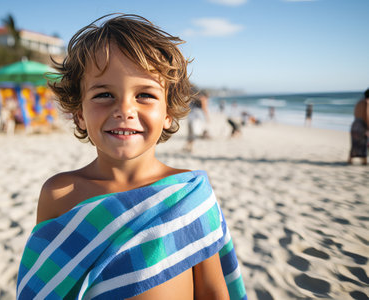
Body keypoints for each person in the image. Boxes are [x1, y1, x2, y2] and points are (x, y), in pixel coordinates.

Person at [16, 14, 246, 300]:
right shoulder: (60, 194)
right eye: (103, 95)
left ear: (168, 113)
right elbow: (47, 289)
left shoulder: (189, 197)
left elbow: (213, 292)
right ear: (79, 114)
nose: (124, 110)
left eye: (145, 95)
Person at [183, 87, 210, 152]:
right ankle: (190, 147)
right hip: (196, 116)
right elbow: (204, 108)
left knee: (190, 132)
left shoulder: (194, 97)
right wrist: (207, 117)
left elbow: (187, 105)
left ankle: (188, 146)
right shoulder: (203, 99)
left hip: (190, 115)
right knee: (193, 133)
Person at [348, 88, 369, 165]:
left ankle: (349, 160)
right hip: (362, 125)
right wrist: (367, 128)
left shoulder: (359, 102)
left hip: (355, 124)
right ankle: (364, 162)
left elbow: (355, 114)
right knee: (364, 144)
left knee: (354, 144)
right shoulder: (367, 102)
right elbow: (367, 115)